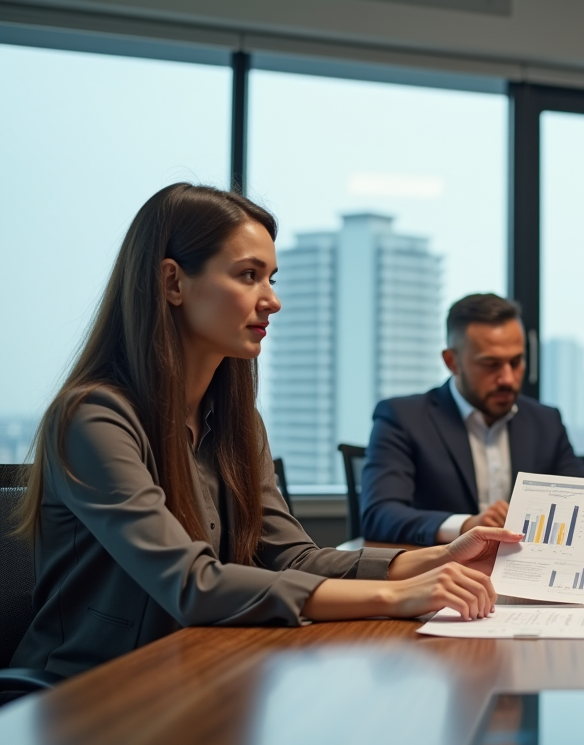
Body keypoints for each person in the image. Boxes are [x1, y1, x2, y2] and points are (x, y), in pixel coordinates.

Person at [11, 184, 521, 678]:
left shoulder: (237, 422)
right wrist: (396, 595)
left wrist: (438, 557)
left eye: (271, 278)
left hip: (198, 671)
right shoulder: (94, 417)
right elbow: (192, 585)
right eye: (249, 275)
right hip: (87, 695)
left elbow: (292, 558)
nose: (271, 300)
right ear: (172, 283)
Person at [360, 294, 584, 546]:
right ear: (452, 362)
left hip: (523, 571)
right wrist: (466, 525)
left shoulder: (545, 421)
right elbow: (379, 514)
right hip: (438, 573)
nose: (507, 379)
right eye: (491, 364)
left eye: (516, 362)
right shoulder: (404, 418)